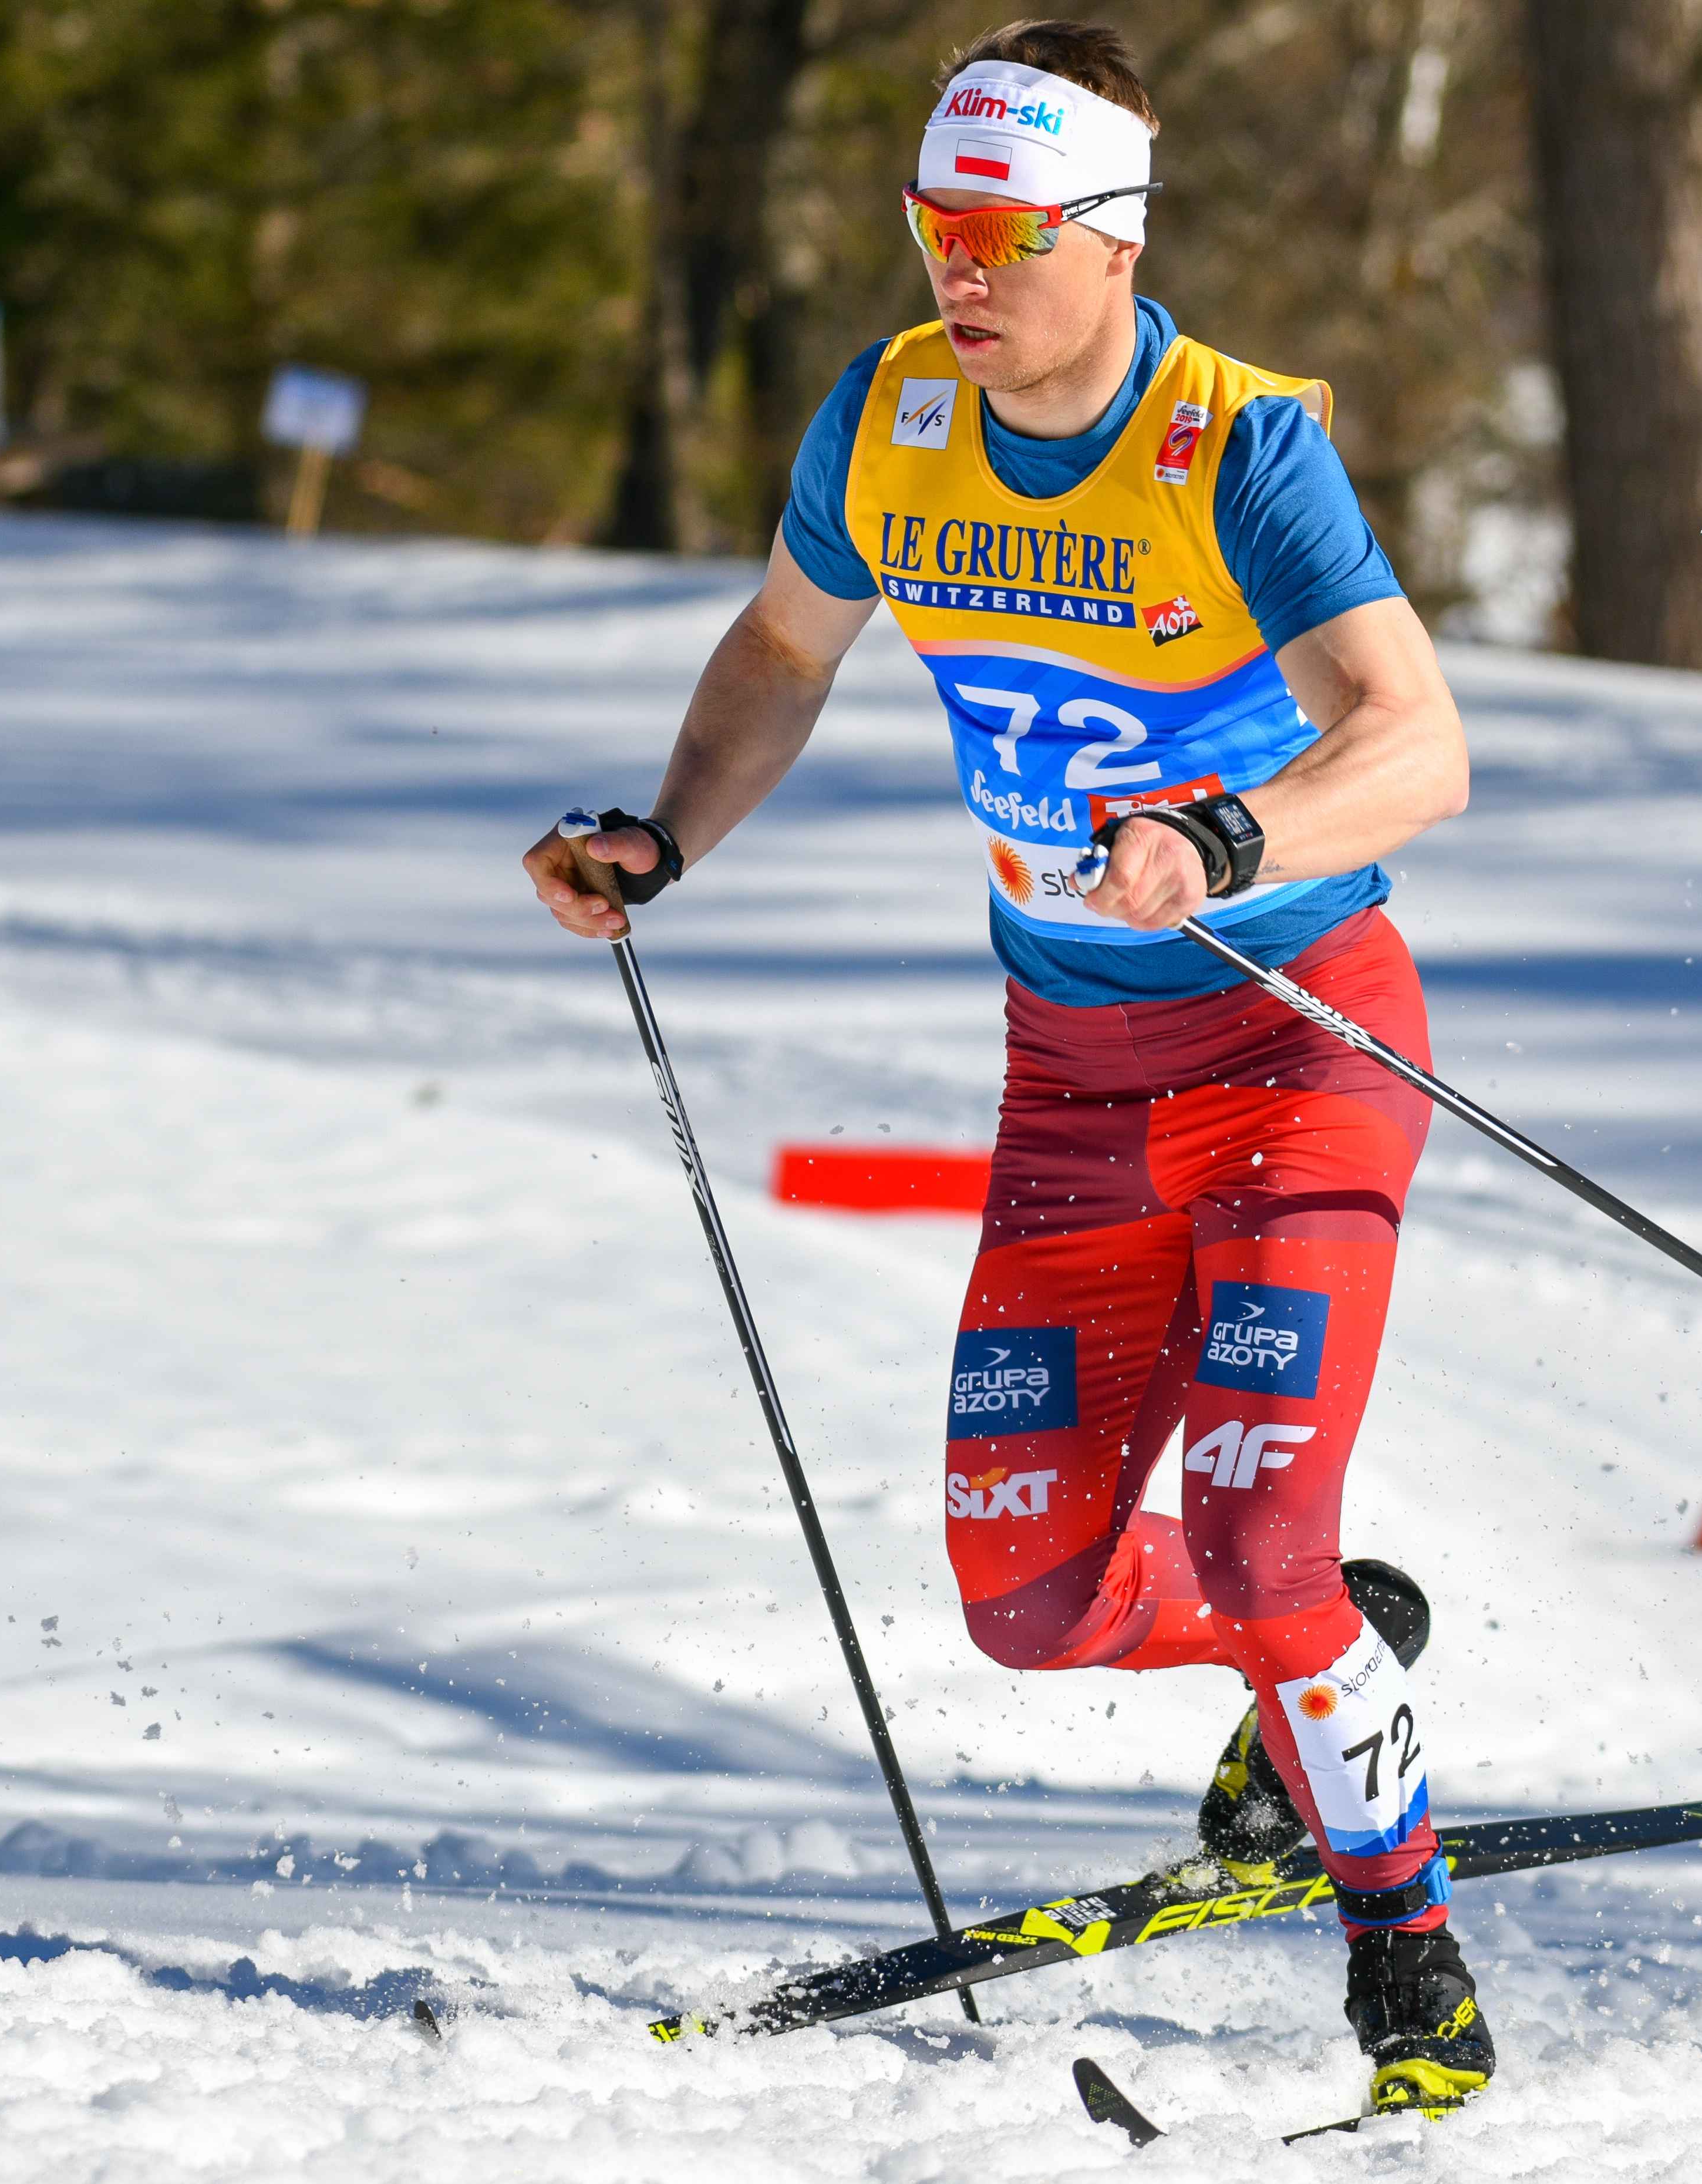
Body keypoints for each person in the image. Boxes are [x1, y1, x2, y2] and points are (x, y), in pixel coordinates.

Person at [522, 17, 1487, 2114]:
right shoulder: (885, 418)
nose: (957, 270)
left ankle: (1401, 1943)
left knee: (1248, 1547)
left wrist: (1229, 835)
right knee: (1028, 1604)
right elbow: (786, 649)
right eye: (930, 224)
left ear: (1110, 241)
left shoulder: (1235, 447)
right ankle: (1317, 1654)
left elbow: (1418, 745)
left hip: (1294, 1051)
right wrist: (664, 836)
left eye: (998, 232)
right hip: (1068, 1088)